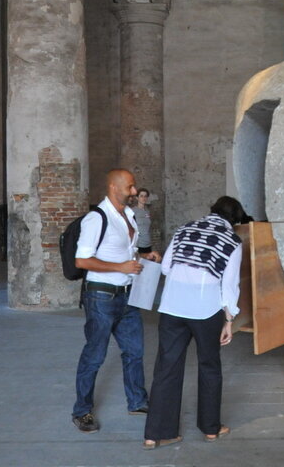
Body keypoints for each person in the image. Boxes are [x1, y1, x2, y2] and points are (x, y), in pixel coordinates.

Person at [142, 196, 248, 449]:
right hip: (205, 309)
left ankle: (156, 433)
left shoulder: (185, 229)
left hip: (172, 306)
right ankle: (210, 429)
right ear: (234, 220)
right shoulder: (232, 241)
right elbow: (229, 284)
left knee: (166, 368)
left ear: (212, 210)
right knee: (209, 366)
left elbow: (166, 268)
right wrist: (229, 319)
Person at [71, 169, 161, 433]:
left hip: (127, 296)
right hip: (101, 296)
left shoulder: (129, 216)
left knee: (134, 352)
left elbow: (126, 254)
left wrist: (145, 257)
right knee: (95, 355)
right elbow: (82, 260)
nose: (134, 192)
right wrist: (119, 267)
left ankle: (137, 402)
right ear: (114, 187)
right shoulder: (96, 219)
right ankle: (82, 411)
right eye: (130, 187)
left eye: (134, 188)